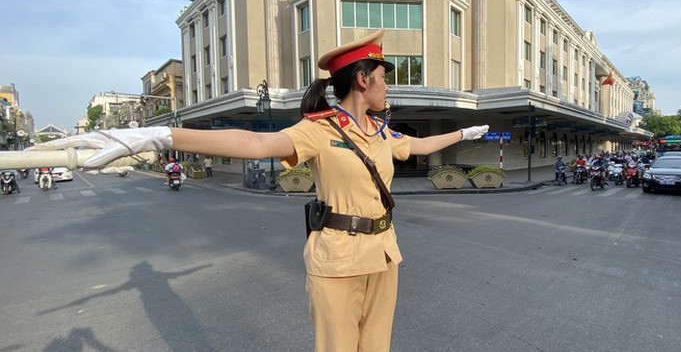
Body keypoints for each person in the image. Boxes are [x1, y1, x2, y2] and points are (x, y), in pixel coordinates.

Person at [37, 29, 488, 352]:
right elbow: (254, 143)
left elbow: (422, 144)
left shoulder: (381, 132)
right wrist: (163, 137)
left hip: (385, 254)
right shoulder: (319, 131)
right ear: (363, 79)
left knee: (376, 347)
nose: (389, 85)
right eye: (385, 76)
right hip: (337, 257)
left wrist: (464, 135)